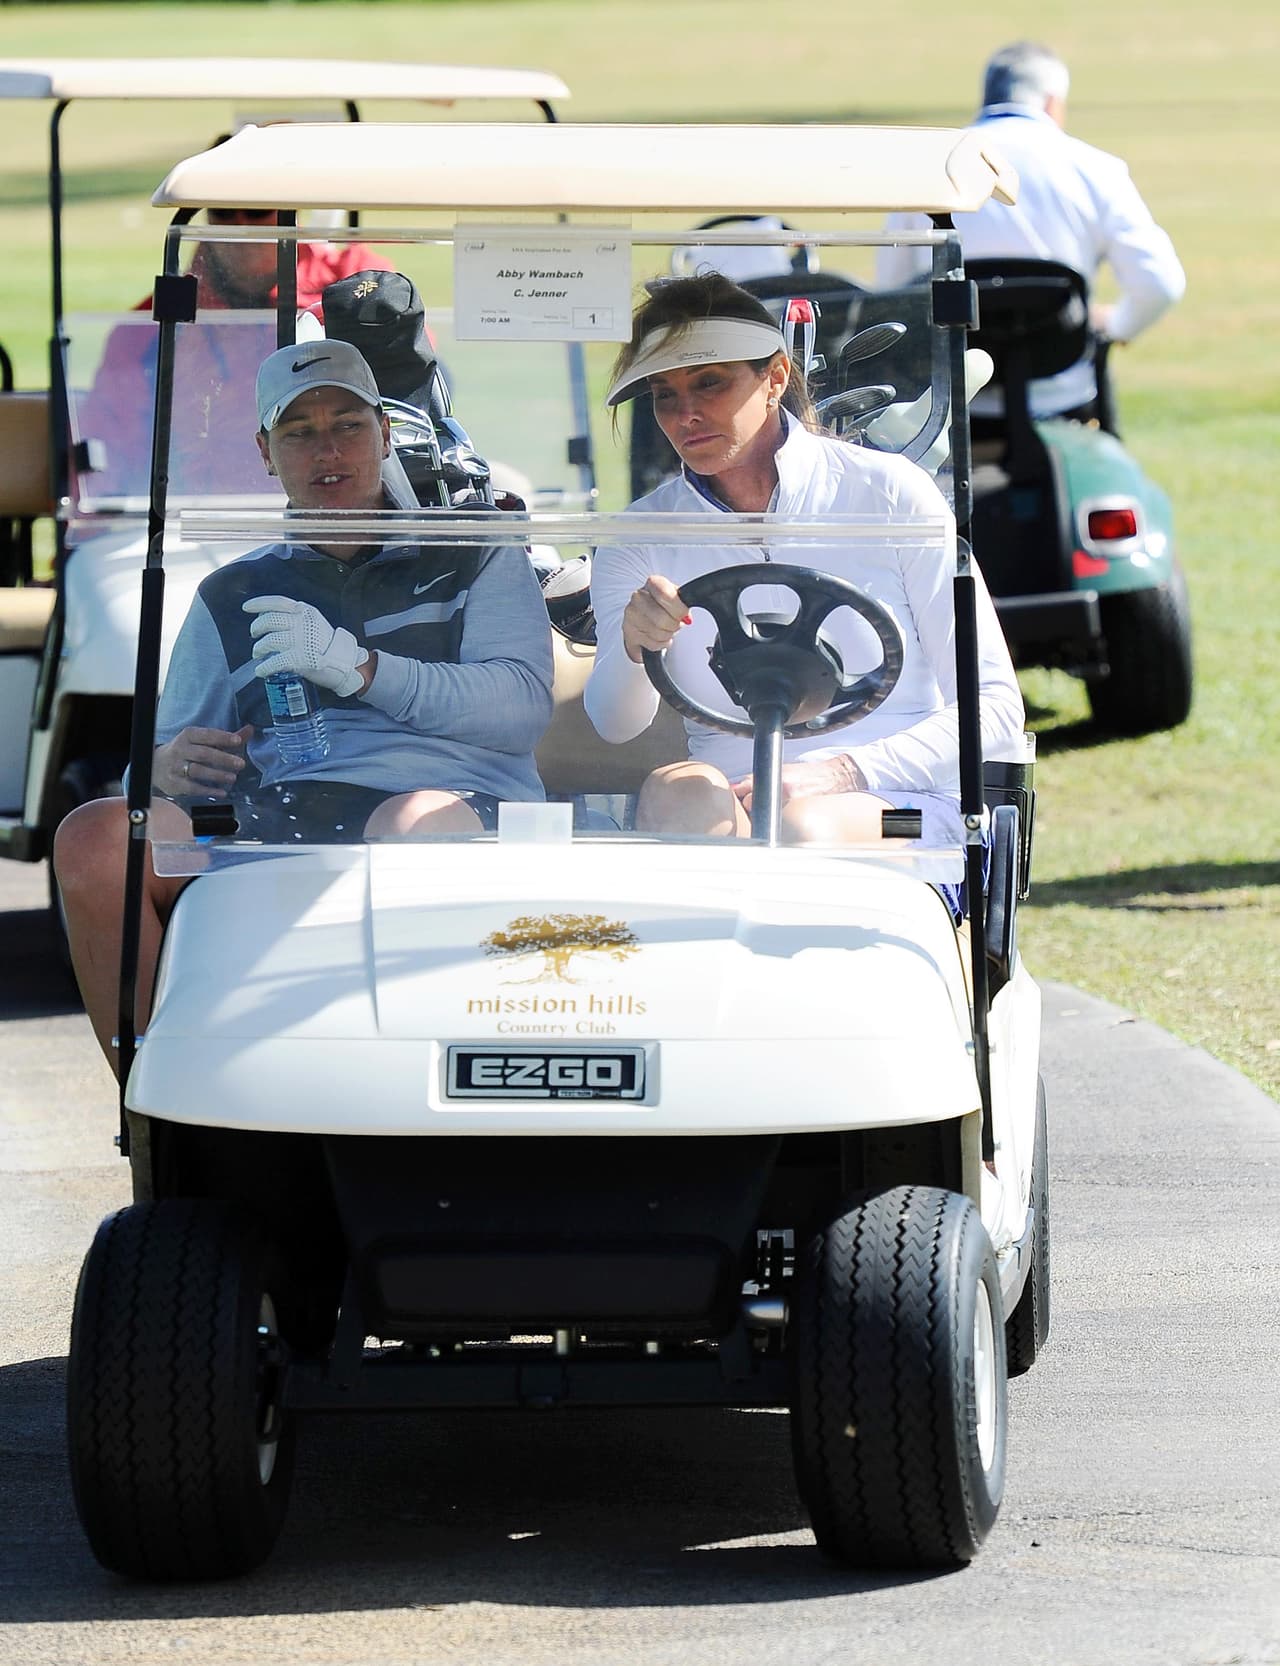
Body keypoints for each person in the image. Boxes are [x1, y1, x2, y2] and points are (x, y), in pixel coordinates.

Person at [54, 337, 554, 1073]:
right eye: (299, 432)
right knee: (96, 838)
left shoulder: (475, 551)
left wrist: (362, 670)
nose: (328, 451)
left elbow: (520, 708)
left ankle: (407, 1081)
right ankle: (160, 1096)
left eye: (348, 425)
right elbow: (157, 762)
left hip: (454, 801)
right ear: (266, 452)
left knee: (410, 824)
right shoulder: (233, 591)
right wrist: (163, 767)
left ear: (385, 434)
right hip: (284, 814)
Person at [584, 273, 1024, 850]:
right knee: (678, 795)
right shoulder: (638, 537)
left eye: (710, 383)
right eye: (664, 394)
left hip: (909, 811)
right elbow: (614, 723)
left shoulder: (891, 493)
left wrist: (841, 773)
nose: (684, 414)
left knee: (805, 827)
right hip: (733, 806)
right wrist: (635, 643)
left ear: (775, 378)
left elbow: (996, 709)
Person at [875, 42, 1186, 418]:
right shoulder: (1097, 169)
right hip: (1061, 395)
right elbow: (1161, 283)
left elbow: (891, 294)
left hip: (950, 398)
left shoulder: (928, 169)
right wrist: (1116, 326)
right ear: (1053, 102)